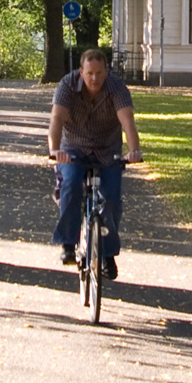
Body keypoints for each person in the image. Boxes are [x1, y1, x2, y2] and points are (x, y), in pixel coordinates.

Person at [48, 48, 143, 281]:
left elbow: (127, 120)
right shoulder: (67, 85)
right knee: (71, 185)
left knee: (110, 198)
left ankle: (107, 254)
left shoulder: (116, 88)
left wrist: (134, 151)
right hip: (73, 148)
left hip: (107, 149)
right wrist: (55, 150)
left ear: (106, 72)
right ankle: (68, 244)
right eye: (89, 73)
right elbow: (57, 119)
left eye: (99, 73)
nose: (94, 78)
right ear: (81, 72)